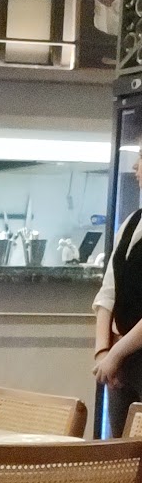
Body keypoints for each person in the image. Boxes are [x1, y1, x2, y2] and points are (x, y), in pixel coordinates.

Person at [93, 149, 142, 435]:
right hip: (122, 360)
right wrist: (103, 351)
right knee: (120, 451)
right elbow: (108, 292)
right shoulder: (132, 221)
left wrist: (116, 355)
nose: (135, 166)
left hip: (126, 354)